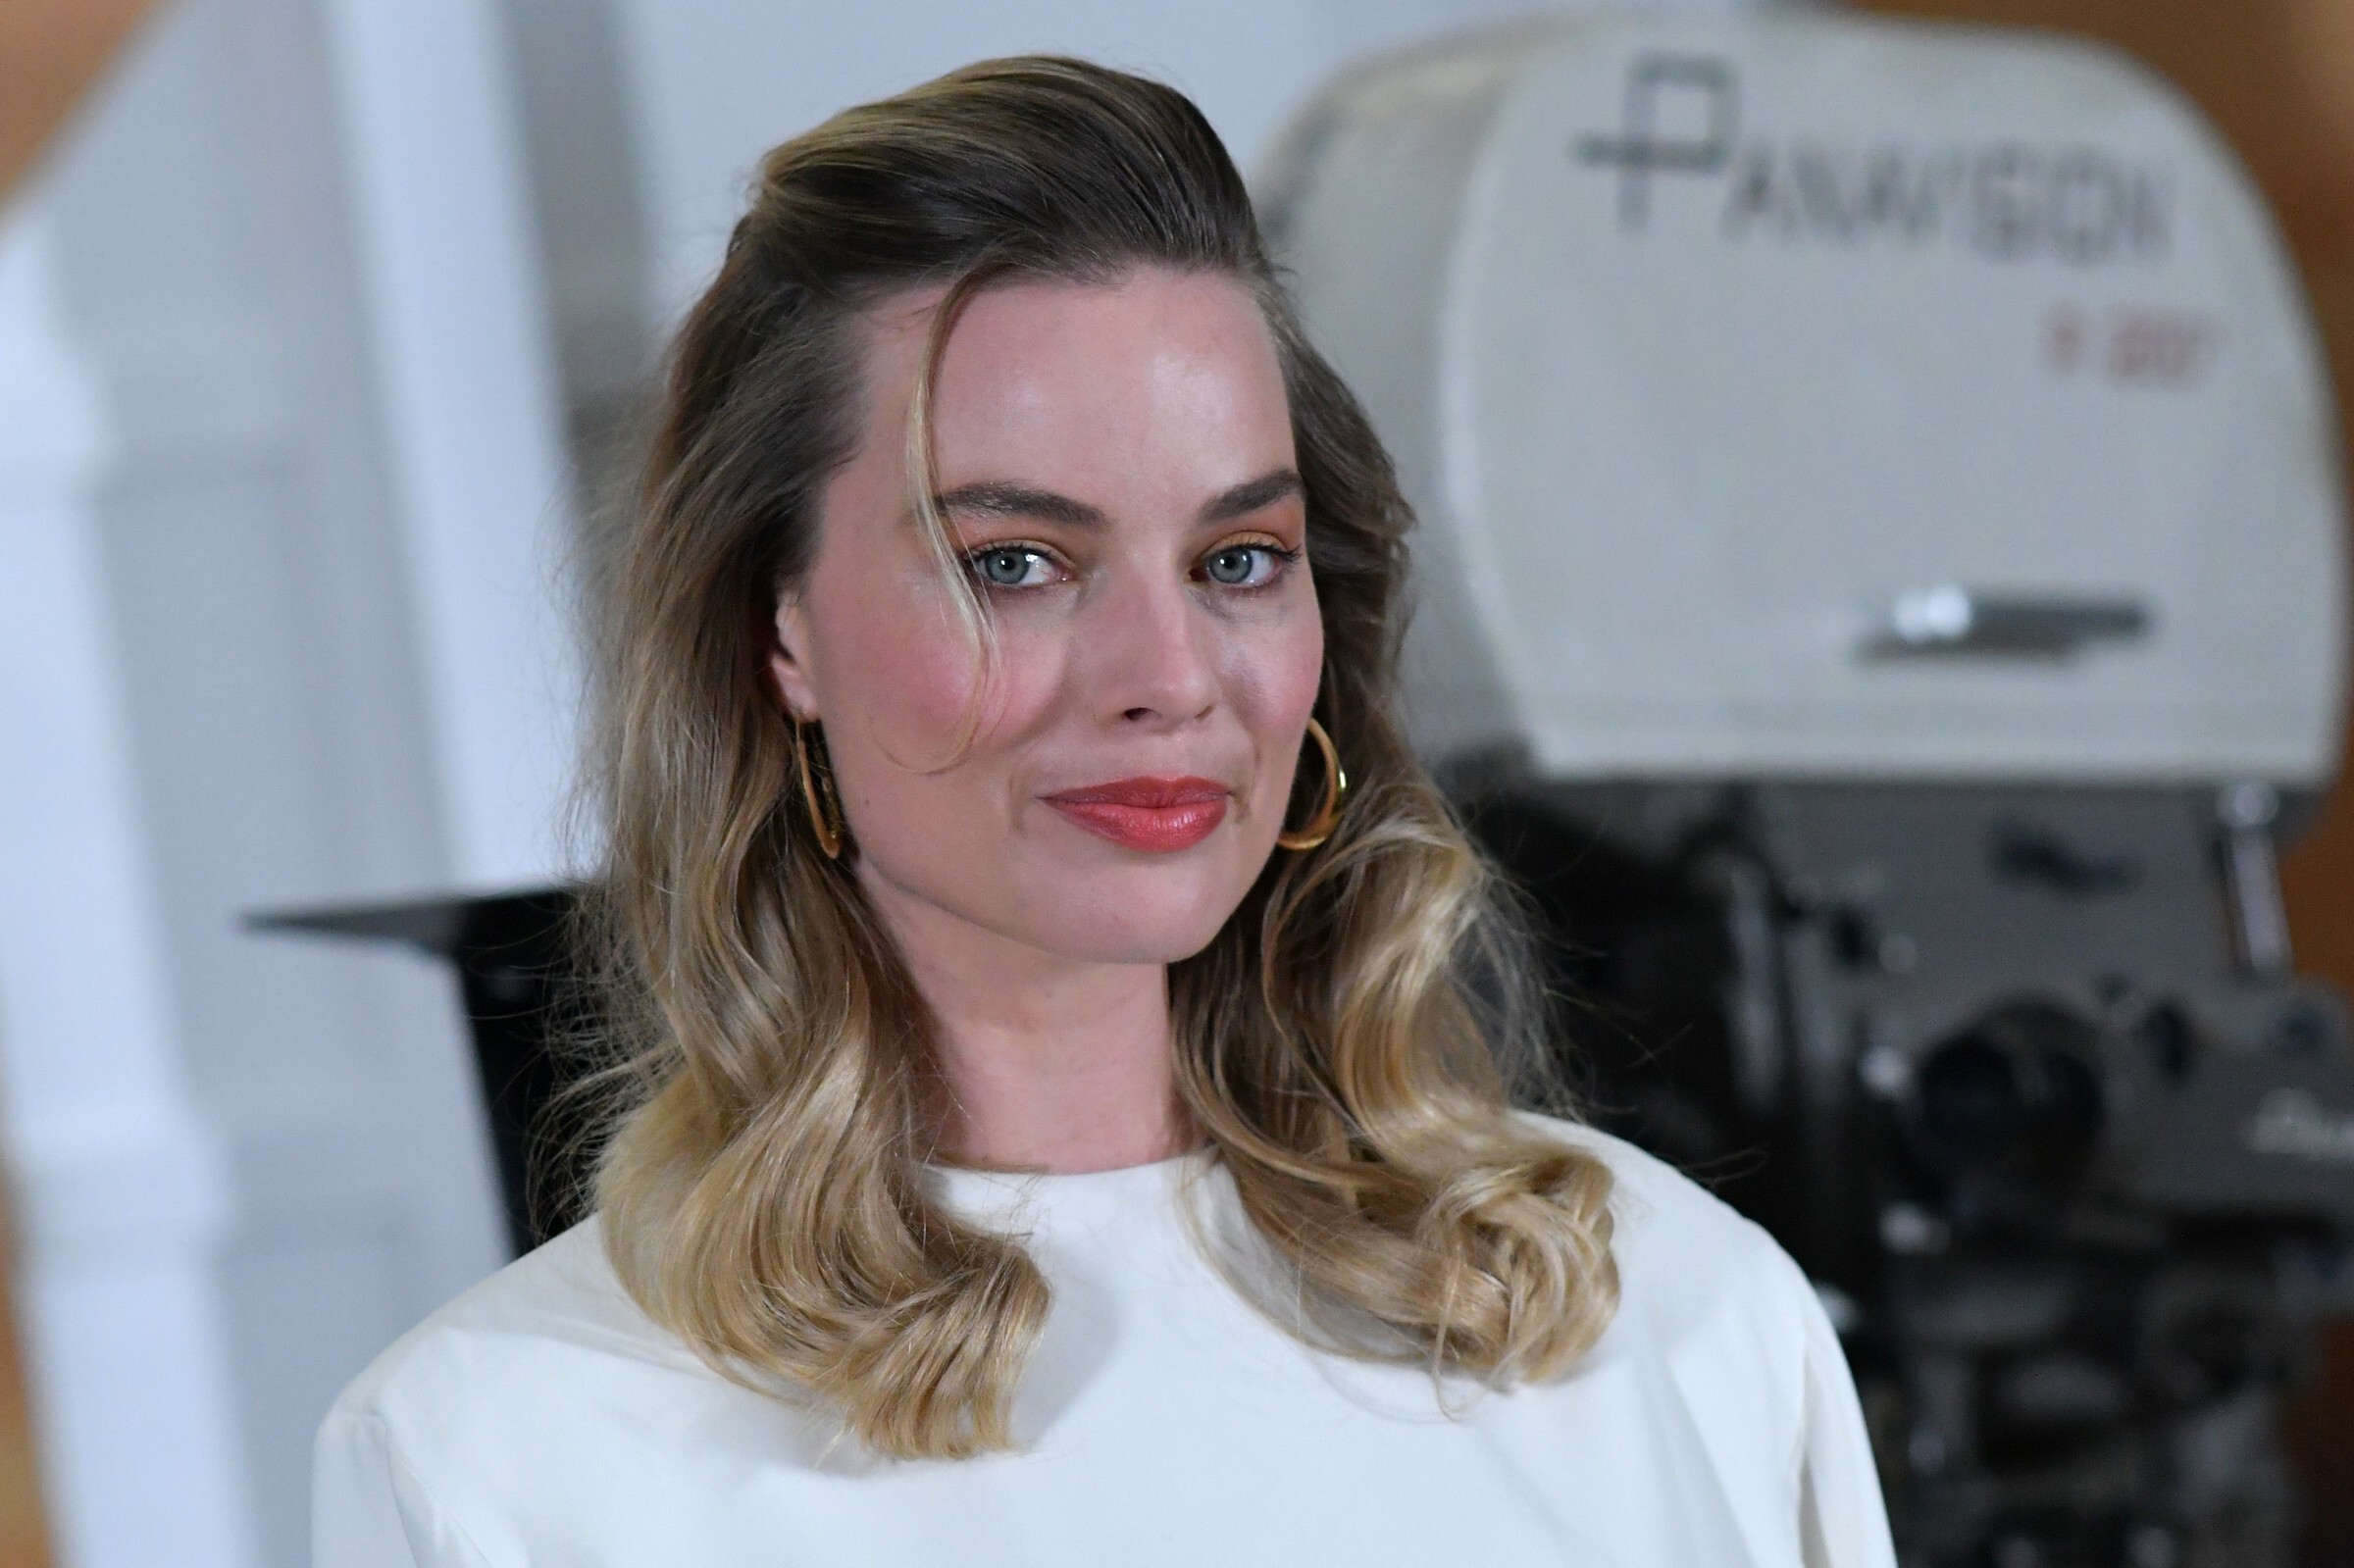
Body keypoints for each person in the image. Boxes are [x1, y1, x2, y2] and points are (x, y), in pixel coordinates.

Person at [313, 56, 1897, 1568]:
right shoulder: (503, 1459)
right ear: (775, 630)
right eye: (1014, 564)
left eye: (1238, 561)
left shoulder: (1673, 1319)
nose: (1170, 676)